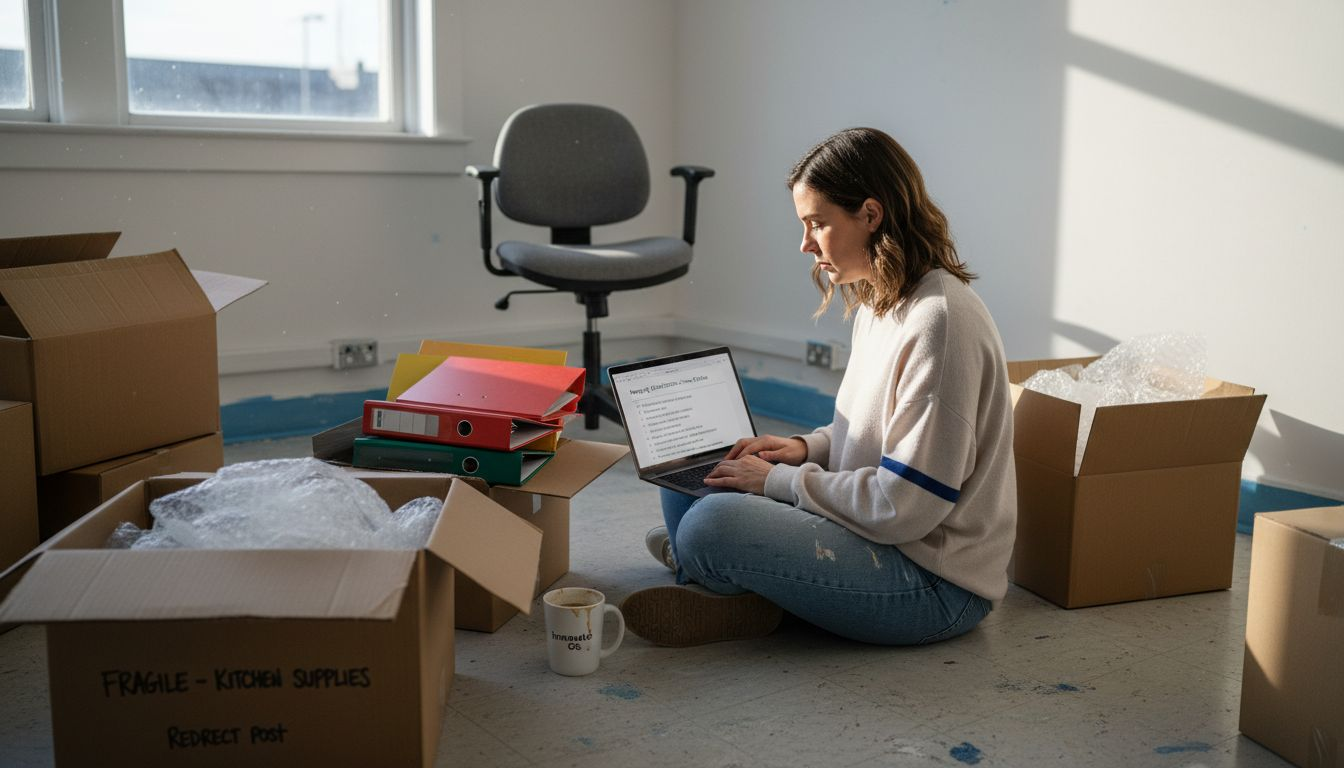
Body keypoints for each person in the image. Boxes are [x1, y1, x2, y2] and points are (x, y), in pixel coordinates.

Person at [619, 127, 1017, 647]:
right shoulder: (881, 299)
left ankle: (721, 577)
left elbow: (906, 505)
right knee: (698, 473)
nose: (805, 244)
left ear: (871, 215)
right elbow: (874, 434)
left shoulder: (939, 321)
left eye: (818, 224)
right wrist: (805, 448)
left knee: (709, 524)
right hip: (881, 536)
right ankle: (733, 583)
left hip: (932, 583)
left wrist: (776, 483)